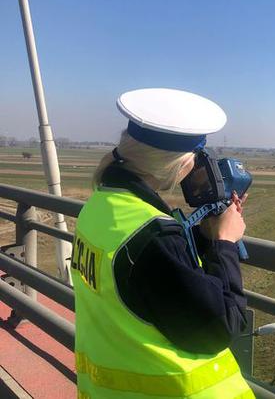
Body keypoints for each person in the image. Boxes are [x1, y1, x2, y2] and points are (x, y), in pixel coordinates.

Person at [72, 88, 255, 398]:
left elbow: (149, 282)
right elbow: (221, 326)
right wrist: (224, 241)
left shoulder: (101, 207)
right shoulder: (154, 237)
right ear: (180, 163)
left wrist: (201, 235)